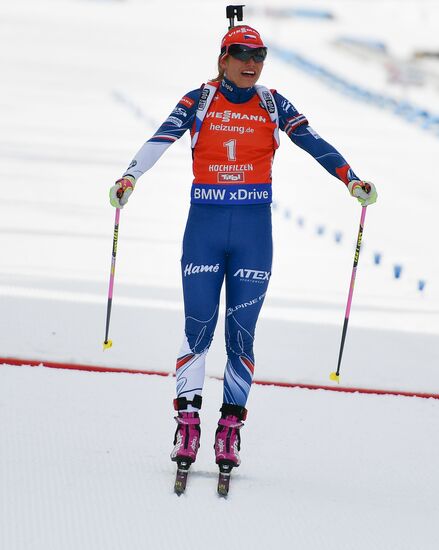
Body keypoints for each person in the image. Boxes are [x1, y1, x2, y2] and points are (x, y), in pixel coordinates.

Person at [109, 25, 377, 472]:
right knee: (198, 326)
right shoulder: (200, 99)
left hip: (253, 234)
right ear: (222, 58)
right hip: (205, 229)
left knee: (241, 335)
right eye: (241, 54)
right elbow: (160, 138)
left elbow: (312, 142)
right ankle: (188, 424)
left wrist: (352, 178)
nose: (251, 64)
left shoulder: (273, 103)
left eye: (259, 56)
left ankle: (230, 430)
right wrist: (128, 177)